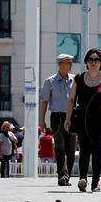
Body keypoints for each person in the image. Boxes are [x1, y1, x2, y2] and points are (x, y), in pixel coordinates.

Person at [65, 48, 101, 192]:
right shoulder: (79, 78)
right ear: (87, 62)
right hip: (83, 120)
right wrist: (68, 118)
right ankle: (83, 179)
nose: (93, 62)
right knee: (84, 150)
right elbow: (71, 100)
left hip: (100, 121)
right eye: (91, 59)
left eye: (96, 60)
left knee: (97, 150)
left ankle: (95, 182)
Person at [40, 54, 77, 186]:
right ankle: (62, 176)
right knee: (60, 147)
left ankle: (68, 176)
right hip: (56, 117)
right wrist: (42, 120)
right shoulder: (50, 81)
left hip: (72, 117)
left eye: (71, 63)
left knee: (71, 150)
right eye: (68, 63)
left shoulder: (75, 80)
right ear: (60, 64)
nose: (70, 65)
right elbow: (44, 101)